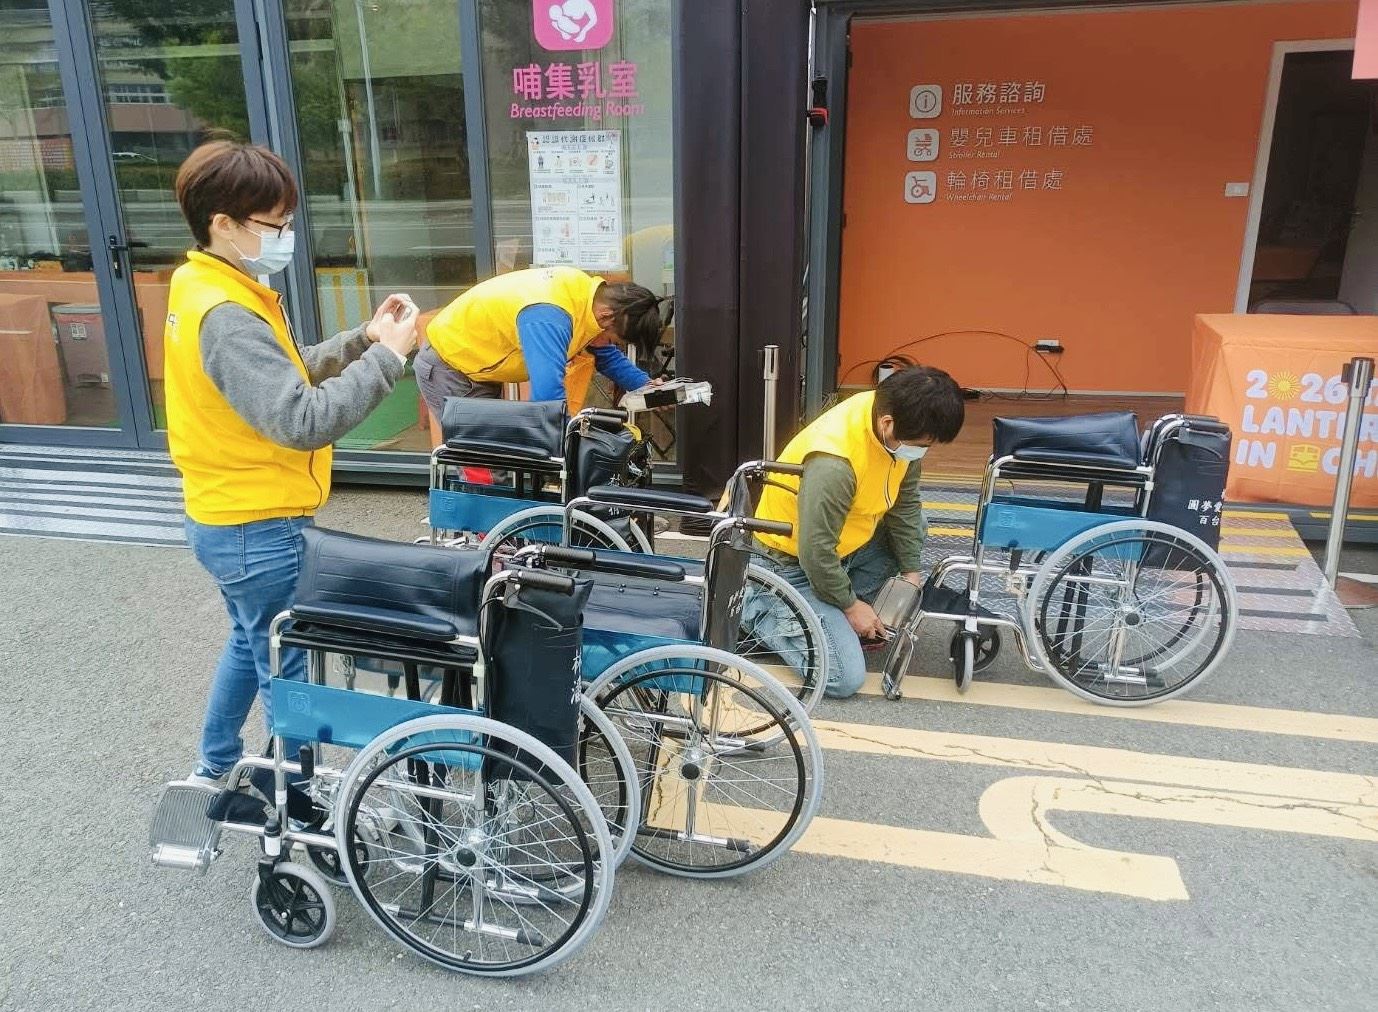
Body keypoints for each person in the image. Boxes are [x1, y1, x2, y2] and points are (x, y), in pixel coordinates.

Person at [165, 140, 418, 786]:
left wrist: (362, 338)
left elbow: (286, 370)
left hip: (228, 515)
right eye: (274, 223)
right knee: (286, 667)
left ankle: (215, 762)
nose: (286, 235)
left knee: (251, 638)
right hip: (256, 524)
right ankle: (295, 803)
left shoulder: (204, 282)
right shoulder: (226, 313)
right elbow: (301, 418)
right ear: (223, 223)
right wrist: (388, 359)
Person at [751, 366, 965, 699]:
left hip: (847, 547)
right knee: (843, 677)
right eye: (921, 445)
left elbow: (906, 505)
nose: (922, 452)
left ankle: (826, 608)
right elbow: (815, 553)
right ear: (887, 423)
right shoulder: (834, 463)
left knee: (916, 527)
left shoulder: (896, 422)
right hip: (788, 563)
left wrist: (910, 573)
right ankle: (757, 610)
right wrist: (851, 606)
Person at [414, 265, 667, 439]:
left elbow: (604, 354)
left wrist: (645, 387)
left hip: (480, 365)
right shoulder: (549, 317)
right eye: (613, 338)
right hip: (449, 365)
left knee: (497, 457)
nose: (610, 344)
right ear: (606, 316)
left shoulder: (587, 297)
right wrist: (579, 443)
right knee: (480, 464)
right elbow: (547, 399)